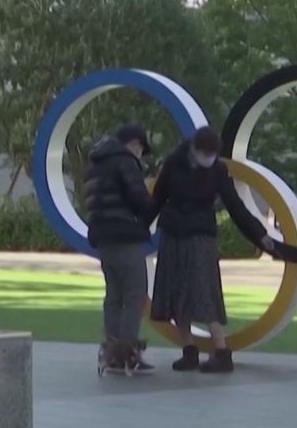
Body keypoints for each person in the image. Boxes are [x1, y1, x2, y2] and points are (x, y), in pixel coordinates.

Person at [148, 126, 274, 373]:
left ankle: (221, 352)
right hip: (174, 234)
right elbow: (158, 198)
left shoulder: (217, 170)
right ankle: (189, 350)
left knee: (205, 292)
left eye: (212, 153)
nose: (209, 158)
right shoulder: (173, 164)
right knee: (175, 292)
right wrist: (140, 226)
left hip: (200, 236)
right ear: (194, 149)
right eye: (205, 153)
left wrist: (260, 234)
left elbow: (235, 206)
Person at [84, 124, 157, 374]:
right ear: (134, 143)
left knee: (114, 295)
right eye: (139, 148)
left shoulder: (96, 163)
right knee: (135, 294)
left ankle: (111, 351)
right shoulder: (125, 162)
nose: (139, 153)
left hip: (103, 237)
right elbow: (139, 198)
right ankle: (128, 353)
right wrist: (152, 210)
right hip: (125, 234)